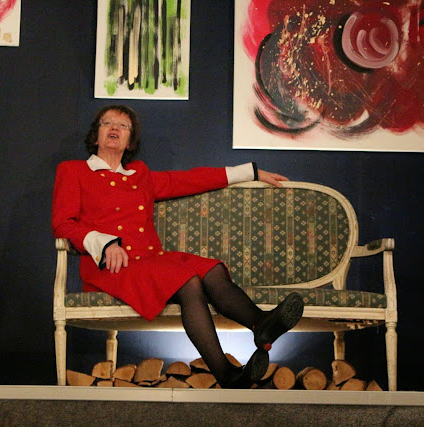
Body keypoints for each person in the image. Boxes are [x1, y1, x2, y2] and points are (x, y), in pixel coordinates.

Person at [52, 105, 304, 388]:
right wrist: (102, 242)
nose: (114, 128)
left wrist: (251, 172)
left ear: (130, 141)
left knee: (211, 271)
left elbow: (189, 180)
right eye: (107, 122)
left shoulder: (140, 175)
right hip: (112, 268)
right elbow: (62, 224)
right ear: (95, 134)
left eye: (123, 126)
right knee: (189, 282)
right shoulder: (73, 171)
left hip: (151, 261)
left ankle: (260, 324)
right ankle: (226, 373)